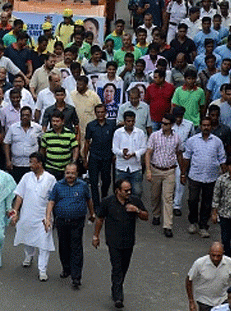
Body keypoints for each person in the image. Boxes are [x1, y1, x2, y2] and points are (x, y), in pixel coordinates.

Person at [92, 179, 149, 309]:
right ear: (118, 190)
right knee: (117, 267)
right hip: (114, 242)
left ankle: (116, 286)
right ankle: (118, 296)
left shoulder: (134, 201)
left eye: (130, 190)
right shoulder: (108, 202)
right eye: (125, 190)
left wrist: (137, 211)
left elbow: (146, 216)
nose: (129, 192)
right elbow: (100, 219)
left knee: (124, 267)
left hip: (128, 242)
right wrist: (96, 236)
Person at [45, 162, 95, 289]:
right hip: (61, 221)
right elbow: (51, 201)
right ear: (64, 173)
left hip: (77, 221)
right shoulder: (58, 186)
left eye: (73, 173)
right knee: (64, 246)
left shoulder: (83, 186)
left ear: (77, 173)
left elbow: (89, 200)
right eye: (68, 173)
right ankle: (66, 268)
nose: (70, 175)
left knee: (76, 247)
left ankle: (76, 276)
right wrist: (48, 217)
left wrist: (92, 213)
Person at [10, 152, 56, 282]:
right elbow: (20, 195)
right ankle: (29, 256)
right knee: (27, 236)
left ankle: (42, 270)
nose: (30, 165)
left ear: (40, 164)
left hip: (43, 216)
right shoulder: (26, 177)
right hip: (27, 214)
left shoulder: (50, 179)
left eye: (33, 162)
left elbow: (52, 200)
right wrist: (15, 212)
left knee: (44, 243)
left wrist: (48, 217)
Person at [184, 117, 227, 238]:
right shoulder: (192, 141)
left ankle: (203, 225)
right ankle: (193, 222)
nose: (206, 127)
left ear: (211, 126)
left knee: (207, 203)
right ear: (200, 127)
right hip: (195, 176)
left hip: (211, 177)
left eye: (208, 125)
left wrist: (224, 175)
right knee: (192, 200)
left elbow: (222, 159)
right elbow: (186, 158)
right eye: (204, 125)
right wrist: (183, 173)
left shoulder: (217, 141)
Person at [145, 113, 184, 237]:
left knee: (168, 198)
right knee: (155, 195)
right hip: (156, 169)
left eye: (166, 124)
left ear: (172, 125)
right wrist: (148, 171)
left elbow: (179, 154)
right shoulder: (155, 136)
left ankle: (168, 225)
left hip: (169, 171)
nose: (163, 125)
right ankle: (156, 214)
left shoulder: (177, 138)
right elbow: (148, 153)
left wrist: (183, 171)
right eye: (162, 123)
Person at [83, 104, 117, 209]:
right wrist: (85, 158)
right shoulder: (91, 125)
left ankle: (104, 199)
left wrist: (115, 154)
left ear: (106, 112)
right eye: (98, 112)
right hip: (94, 157)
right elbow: (87, 143)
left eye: (102, 112)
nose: (100, 114)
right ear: (95, 113)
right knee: (93, 182)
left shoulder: (111, 125)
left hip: (107, 157)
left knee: (106, 181)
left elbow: (115, 141)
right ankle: (96, 205)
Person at [186, 242, 231, 311]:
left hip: (222, 300)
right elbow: (189, 280)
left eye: (219, 256)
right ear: (209, 253)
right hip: (204, 301)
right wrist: (191, 301)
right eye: (213, 255)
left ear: (223, 253)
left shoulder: (229, 263)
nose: (215, 258)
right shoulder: (199, 263)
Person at [4, 106, 41, 182]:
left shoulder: (37, 128)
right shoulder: (13, 128)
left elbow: (43, 144)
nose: (25, 117)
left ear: (31, 116)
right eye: (23, 115)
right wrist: (8, 160)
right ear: (20, 116)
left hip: (31, 165)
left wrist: (39, 160)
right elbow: (6, 143)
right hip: (16, 164)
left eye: (27, 115)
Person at [40, 111, 78, 181]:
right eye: (53, 121)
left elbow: (75, 149)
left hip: (65, 169)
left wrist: (74, 162)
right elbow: (42, 150)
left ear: (63, 121)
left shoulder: (70, 134)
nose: (55, 123)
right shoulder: (47, 135)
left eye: (57, 121)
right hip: (50, 168)